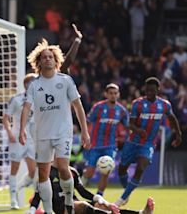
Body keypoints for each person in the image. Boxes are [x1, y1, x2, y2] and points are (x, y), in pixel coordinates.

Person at [20, 24, 90, 214]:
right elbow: (26, 109)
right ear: (39, 62)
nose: (48, 59)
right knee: (43, 173)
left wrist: (84, 130)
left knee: (62, 166)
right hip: (41, 132)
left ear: (55, 60)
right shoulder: (35, 85)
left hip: (62, 132)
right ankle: (48, 209)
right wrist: (21, 131)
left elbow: (78, 105)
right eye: (45, 57)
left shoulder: (64, 80)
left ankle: (68, 202)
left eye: (51, 56)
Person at [115, 77, 182, 206]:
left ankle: (121, 199)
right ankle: (126, 191)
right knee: (122, 169)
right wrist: (138, 130)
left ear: (158, 89)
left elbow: (172, 118)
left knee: (140, 168)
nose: (149, 92)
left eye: (152, 90)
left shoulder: (164, 105)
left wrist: (178, 134)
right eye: (147, 90)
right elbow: (131, 124)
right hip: (133, 142)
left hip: (148, 143)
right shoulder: (137, 104)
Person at [27, 164, 155, 214]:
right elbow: (37, 195)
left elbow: (82, 191)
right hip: (60, 209)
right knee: (83, 205)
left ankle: (141, 213)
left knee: (102, 206)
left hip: (73, 202)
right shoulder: (45, 173)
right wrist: (32, 210)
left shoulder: (72, 171)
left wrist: (99, 199)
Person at [81, 83, 129, 196]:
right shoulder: (98, 107)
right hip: (95, 145)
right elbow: (88, 122)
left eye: (115, 93)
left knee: (106, 171)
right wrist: (86, 137)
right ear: (106, 94)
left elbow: (127, 126)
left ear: (118, 94)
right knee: (89, 173)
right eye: (111, 93)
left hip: (110, 146)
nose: (113, 95)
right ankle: (78, 188)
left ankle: (99, 196)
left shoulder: (121, 111)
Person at [3, 73, 37, 209]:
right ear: (27, 84)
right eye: (33, 82)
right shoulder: (16, 99)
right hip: (17, 138)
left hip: (32, 139)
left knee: (33, 171)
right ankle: (13, 200)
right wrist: (10, 132)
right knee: (14, 168)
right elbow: (6, 117)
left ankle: (16, 189)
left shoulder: (39, 99)